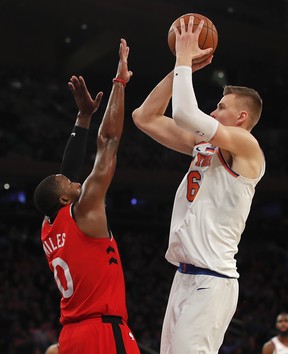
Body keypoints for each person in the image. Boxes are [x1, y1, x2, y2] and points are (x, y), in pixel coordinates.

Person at [132, 16, 265, 354]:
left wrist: (183, 61)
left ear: (241, 118)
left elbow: (185, 114)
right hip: (184, 277)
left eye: (220, 107)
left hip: (213, 280)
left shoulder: (247, 148)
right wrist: (179, 67)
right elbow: (144, 117)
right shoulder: (204, 146)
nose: (213, 111)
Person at [34, 38, 140, 354]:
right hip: (103, 332)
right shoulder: (86, 208)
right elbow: (108, 141)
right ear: (65, 199)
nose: (73, 179)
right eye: (68, 182)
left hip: (71, 336)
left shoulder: (49, 226)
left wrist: (82, 118)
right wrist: (120, 81)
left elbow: (65, 177)